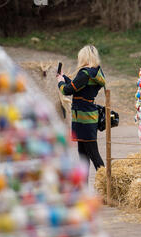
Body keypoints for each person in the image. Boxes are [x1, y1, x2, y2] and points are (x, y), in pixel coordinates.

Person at [56, 45, 105, 175]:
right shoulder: (96, 73)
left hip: (83, 119)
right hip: (88, 116)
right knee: (83, 157)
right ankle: (85, 190)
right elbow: (79, 87)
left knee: (93, 155)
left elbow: (67, 90)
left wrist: (60, 82)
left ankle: (108, 185)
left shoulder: (85, 73)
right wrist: (66, 79)